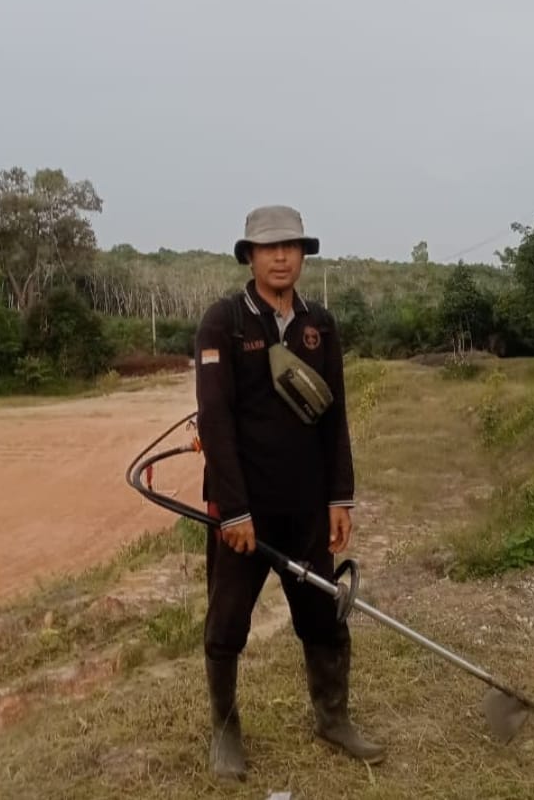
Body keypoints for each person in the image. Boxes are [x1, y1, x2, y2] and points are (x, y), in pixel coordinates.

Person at [194, 205, 384, 780]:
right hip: (242, 512)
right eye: (268, 248)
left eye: (291, 247)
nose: (281, 257)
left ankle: (333, 718)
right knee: (227, 624)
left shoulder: (319, 324)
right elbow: (215, 421)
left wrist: (339, 498)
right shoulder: (223, 322)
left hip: (306, 509)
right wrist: (235, 510)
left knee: (323, 618)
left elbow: (335, 416)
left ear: (303, 254)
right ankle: (226, 733)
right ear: (249, 256)